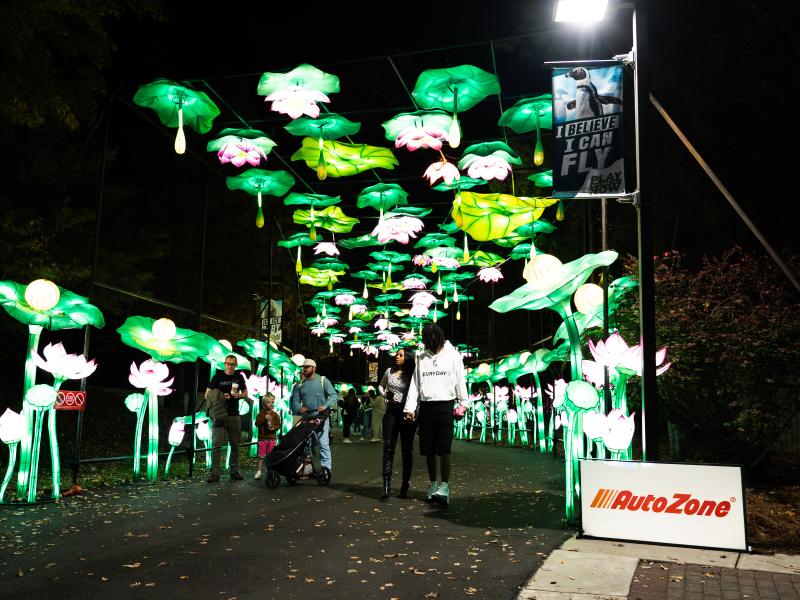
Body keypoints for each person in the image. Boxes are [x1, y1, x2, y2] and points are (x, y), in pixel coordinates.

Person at [403, 324, 467, 506]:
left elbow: (460, 380)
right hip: (426, 407)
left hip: (446, 405)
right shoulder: (421, 358)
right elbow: (415, 384)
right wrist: (409, 408)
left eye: (430, 341)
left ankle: (444, 487)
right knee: (429, 449)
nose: (428, 345)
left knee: (444, 448)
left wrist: (464, 403)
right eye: (426, 342)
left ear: (438, 338)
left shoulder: (453, 356)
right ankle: (433, 485)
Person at [378, 347, 417, 499]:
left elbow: (417, 393)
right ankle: (386, 487)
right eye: (397, 354)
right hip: (391, 412)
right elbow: (381, 386)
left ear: (407, 357)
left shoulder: (413, 374)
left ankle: (405, 485)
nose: (397, 357)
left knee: (407, 451)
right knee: (388, 448)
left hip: (407, 413)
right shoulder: (389, 371)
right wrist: (386, 394)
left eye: (401, 355)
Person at [205, 354, 249, 483]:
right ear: (224, 364)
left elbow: (246, 394)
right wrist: (221, 396)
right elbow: (207, 393)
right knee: (216, 444)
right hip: (219, 414)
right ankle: (215, 474)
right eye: (228, 363)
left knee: (235, 444)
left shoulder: (238, 377)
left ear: (236, 365)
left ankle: (234, 471)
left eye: (232, 364)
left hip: (234, 415)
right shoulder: (218, 376)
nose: (230, 366)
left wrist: (237, 395)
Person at [289, 358, 337, 473]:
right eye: (303, 367)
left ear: (314, 368)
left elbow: (333, 395)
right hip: (307, 419)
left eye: (307, 367)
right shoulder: (299, 385)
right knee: (308, 445)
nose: (304, 369)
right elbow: (295, 401)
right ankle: (310, 468)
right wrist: (300, 408)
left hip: (321, 418)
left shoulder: (322, 380)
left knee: (323, 443)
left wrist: (325, 406)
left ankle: (326, 469)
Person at [254, 393, 281, 480]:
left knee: (270, 456)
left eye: (272, 402)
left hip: (272, 438)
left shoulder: (275, 414)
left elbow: (278, 425)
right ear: (264, 404)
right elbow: (257, 423)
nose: (271, 404)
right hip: (262, 438)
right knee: (261, 456)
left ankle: (271, 471)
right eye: (268, 402)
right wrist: (264, 419)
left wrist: (274, 427)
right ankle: (259, 471)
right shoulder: (260, 414)